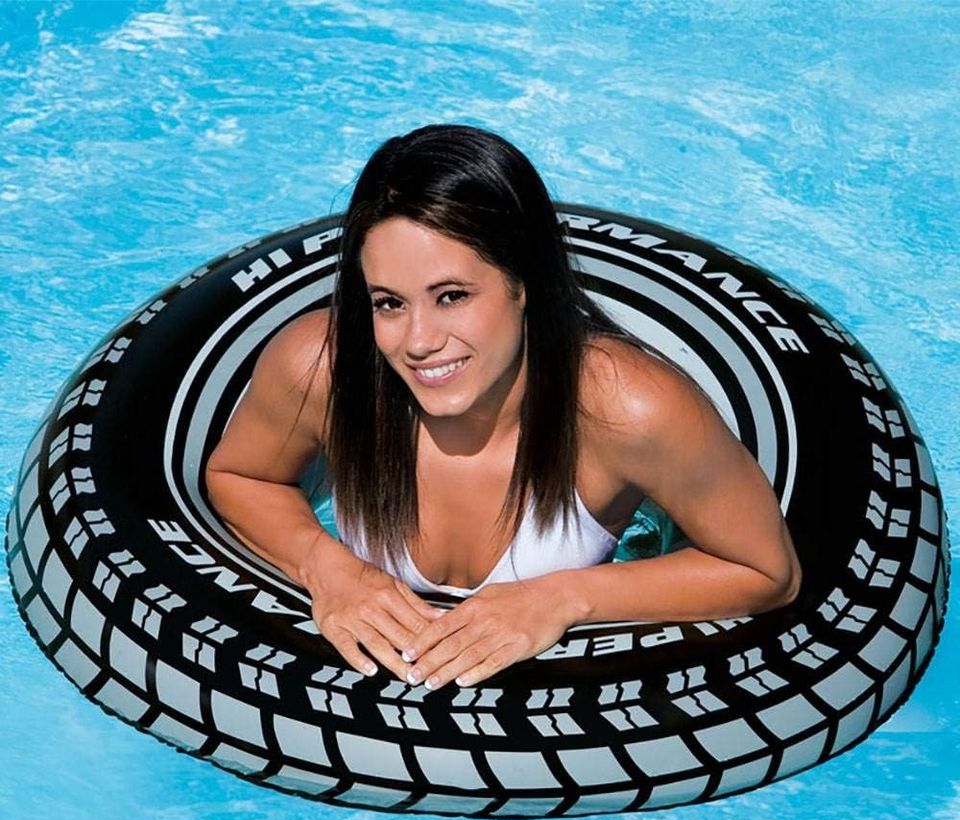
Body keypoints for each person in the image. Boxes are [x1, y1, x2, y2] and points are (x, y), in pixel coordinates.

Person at [205, 123, 801, 693]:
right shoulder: (321, 368)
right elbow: (242, 477)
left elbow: (765, 571)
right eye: (389, 303)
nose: (418, 342)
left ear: (525, 284)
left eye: (452, 296)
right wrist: (326, 567)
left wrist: (563, 597)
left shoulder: (626, 409)